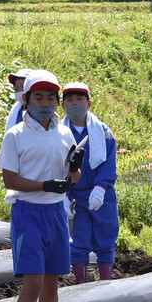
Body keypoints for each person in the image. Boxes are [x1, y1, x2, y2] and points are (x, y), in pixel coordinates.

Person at [0, 70, 82, 302]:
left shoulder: (65, 133)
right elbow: (9, 179)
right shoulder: (16, 136)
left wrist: (73, 168)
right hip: (28, 212)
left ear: (57, 102)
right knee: (32, 281)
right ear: (26, 100)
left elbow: (73, 179)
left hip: (56, 213)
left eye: (50, 98)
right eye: (38, 97)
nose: (44, 104)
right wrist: (44, 185)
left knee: (51, 281)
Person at [61, 81, 119, 282]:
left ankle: (106, 281)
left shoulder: (102, 132)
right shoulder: (60, 134)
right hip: (76, 195)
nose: (75, 104)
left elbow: (109, 163)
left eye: (79, 99)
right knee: (78, 239)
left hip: (101, 194)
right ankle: (80, 284)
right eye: (70, 100)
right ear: (63, 106)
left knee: (106, 237)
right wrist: (64, 196)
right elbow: (57, 167)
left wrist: (101, 187)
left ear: (89, 103)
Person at [5, 69, 30, 133]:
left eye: (23, 87)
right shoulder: (17, 109)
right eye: (17, 89)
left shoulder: (41, 111)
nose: (20, 92)